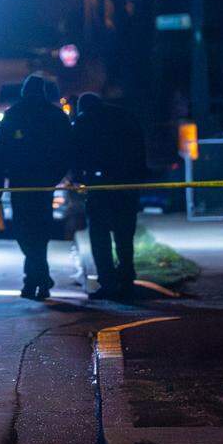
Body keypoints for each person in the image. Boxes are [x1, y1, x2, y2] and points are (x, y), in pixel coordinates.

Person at [0, 75, 72, 299]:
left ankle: (34, 281)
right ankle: (40, 279)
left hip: (20, 184)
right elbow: (68, 151)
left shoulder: (14, 114)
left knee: (24, 231)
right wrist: (55, 177)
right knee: (40, 232)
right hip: (44, 184)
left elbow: (0, 154)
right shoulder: (56, 116)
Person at [72, 92, 147, 300]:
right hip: (127, 185)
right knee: (124, 234)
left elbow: (77, 153)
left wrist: (78, 178)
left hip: (99, 187)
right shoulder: (125, 117)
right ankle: (127, 279)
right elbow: (140, 148)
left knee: (100, 235)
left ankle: (108, 282)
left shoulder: (84, 120)